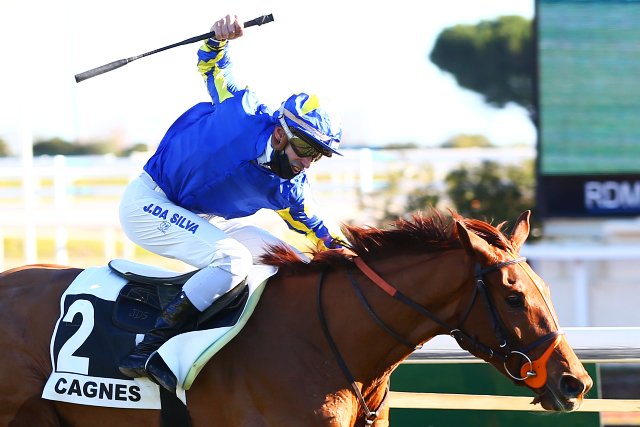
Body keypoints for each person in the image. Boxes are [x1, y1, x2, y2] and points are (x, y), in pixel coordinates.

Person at [117, 14, 348, 392]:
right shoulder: (241, 110)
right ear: (279, 134)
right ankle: (150, 350)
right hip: (148, 203)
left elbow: (327, 233)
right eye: (306, 149)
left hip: (202, 219)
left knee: (294, 265)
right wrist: (218, 38)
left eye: (317, 155)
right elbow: (213, 64)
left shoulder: (290, 189)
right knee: (233, 260)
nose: (308, 163)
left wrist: (360, 258)